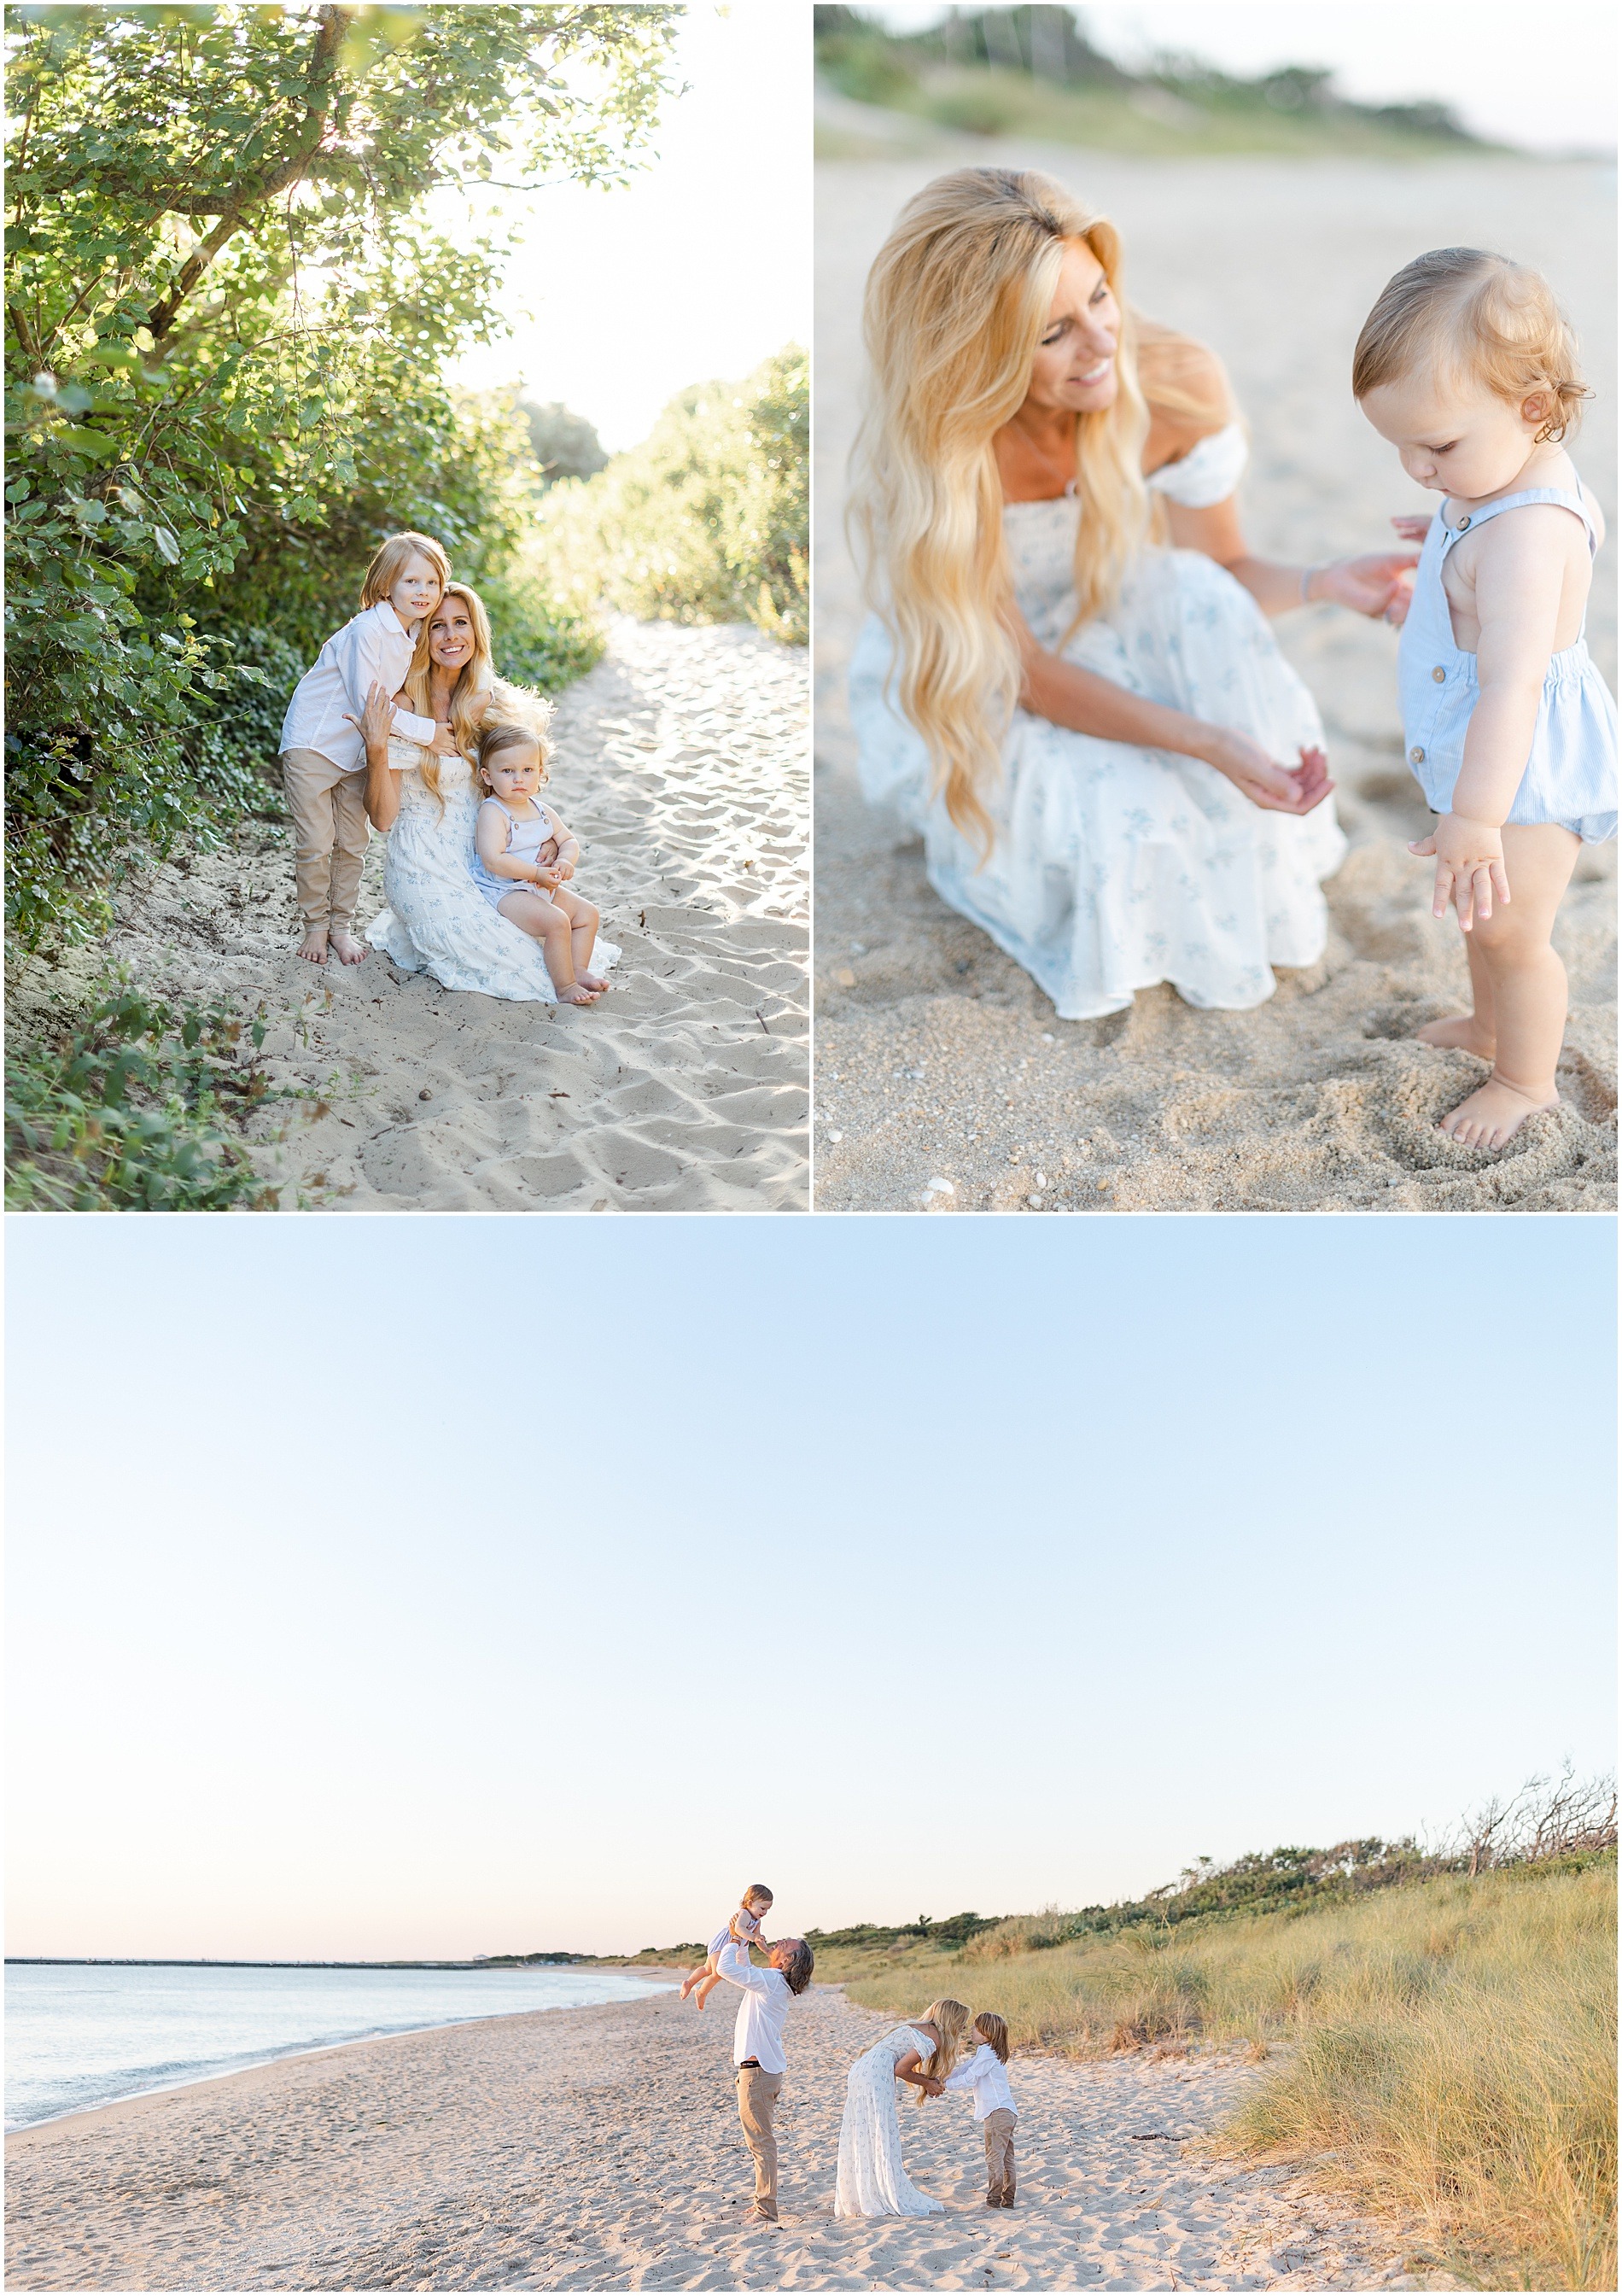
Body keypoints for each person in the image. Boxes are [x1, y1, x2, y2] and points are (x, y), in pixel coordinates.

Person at [848, 167, 1419, 1023]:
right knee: (1129, 814)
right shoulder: (944, 451)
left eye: (1101, 297)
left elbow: (1223, 567)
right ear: (977, 351)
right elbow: (1026, 672)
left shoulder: (1177, 384)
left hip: (1107, 615)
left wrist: (1323, 583)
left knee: (1191, 589)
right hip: (986, 665)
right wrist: (1204, 742)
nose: (1101, 342)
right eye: (1053, 334)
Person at [1356, 247, 1617, 1148]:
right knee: (1479, 913)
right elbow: (1469, 515)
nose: (1417, 469)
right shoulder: (1496, 475)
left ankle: (1523, 1078)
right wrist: (1440, 525)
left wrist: (1474, 815)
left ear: (1531, 407)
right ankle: (1485, 1026)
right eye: (1399, 447)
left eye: (1434, 448)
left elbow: (1515, 683)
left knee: (1514, 933)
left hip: (1519, 766)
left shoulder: (1524, 536)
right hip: (1483, 755)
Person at [355, 583, 617, 1002]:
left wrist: (548, 836)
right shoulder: (404, 704)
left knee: (549, 943)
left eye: (461, 623)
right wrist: (377, 747)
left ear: (476, 632)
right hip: (426, 856)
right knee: (510, 960)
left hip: (489, 854)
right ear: (421, 636)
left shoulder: (490, 699)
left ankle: (574, 974)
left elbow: (518, 780)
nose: (451, 636)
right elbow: (382, 820)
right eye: (437, 626)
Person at [278, 531, 453, 967]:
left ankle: (341, 927)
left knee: (353, 843)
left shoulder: (413, 633)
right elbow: (369, 704)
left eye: (432, 583)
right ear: (384, 586)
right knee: (318, 843)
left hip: (357, 750)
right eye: (411, 582)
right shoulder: (368, 630)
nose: (423, 592)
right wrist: (429, 731)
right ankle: (315, 926)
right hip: (315, 745)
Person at [470, 713, 610, 1005]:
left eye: (527, 770)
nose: (518, 778)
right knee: (557, 922)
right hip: (506, 889)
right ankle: (565, 986)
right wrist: (537, 874)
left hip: (541, 884)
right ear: (487, 776)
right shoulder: (494, 811)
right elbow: (494, 859)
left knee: (587, 914)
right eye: (507, 771)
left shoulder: (541, 809)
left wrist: (566, 861)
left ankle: (579, 968)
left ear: (541, 773)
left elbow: (568, 840)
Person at [834, 1997, 973, 2218]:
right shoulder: (934, 2037)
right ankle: (881, 2192)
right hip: (877, 2072)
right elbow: (901, 2069)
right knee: (880, 2129)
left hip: (862, 2068)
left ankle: (866, 2191)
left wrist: (927, 2080)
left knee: (864, 2129)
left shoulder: (920, 2027)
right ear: (952, 2019)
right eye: (963, 2021)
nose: (964, 2027)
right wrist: (928, 2083)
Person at [711, 1931, 814, 2228]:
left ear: (787, 1960)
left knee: (761, 2144)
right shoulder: (774, 1981)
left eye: (785, 1944)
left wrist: (732, 1939)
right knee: (760, 2142)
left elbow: (726, 1969)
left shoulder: (772, 1981)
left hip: (758, 2074)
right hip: (762, 2072)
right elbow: (743, 1967)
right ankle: (762, 2204)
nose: (780, 1941)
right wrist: (744, 1942)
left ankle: (766, 2210)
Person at [942, 2010, 1018, 2206]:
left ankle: (994, 2200)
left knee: (994, 2159)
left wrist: (945, 2086)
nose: (971, 2030)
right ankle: (1008, 2200)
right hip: (1008, 2111)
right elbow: (964, 2069)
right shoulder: (988, 2053)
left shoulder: (987, 2054)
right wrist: (942, 2077)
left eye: (976, 2027)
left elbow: (970, 2078)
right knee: (1006, 2159)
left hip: (996, 2113)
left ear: (987, 2034)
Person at [680, 1884, 774, 2010]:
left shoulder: (757, 1921)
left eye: (767, 1909)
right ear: (750, 1903)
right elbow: (739, 1929)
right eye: (762, 1908)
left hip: (727, 1945)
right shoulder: (745, 1914)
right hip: (722, 1944)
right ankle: (701, 1993)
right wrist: (753, 1937)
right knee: (718, 1973)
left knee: (707, 1968)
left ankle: (689, 1982)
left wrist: (766, 1950)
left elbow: (758, 1939)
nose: (764, 1912)